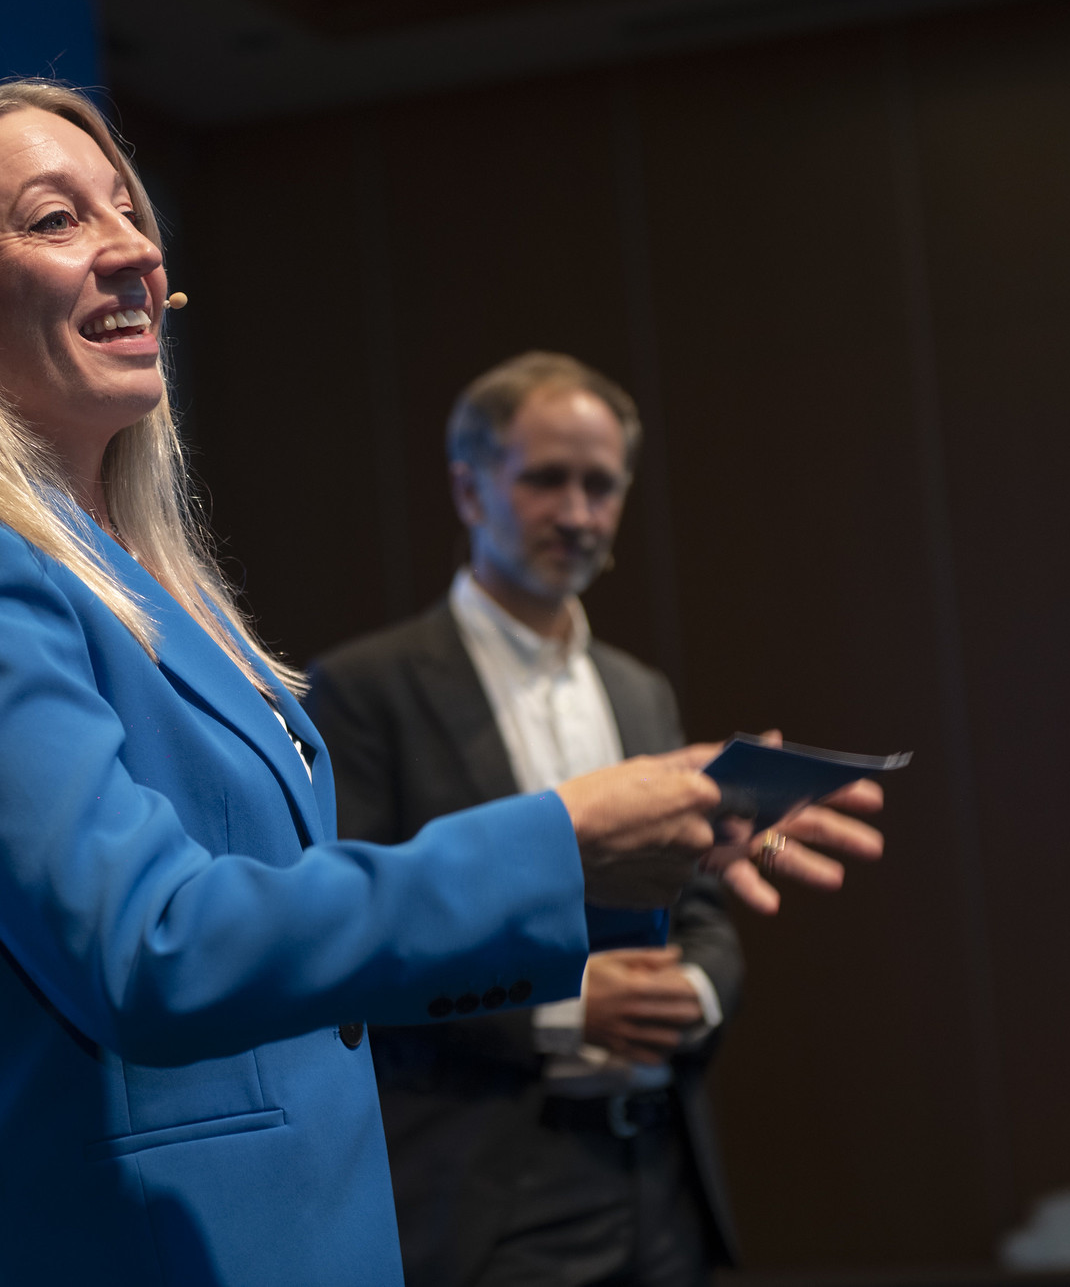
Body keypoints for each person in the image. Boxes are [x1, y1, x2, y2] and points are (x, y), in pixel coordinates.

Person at [0, 81, 886, 1287]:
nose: (134, 249)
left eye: (127, 206)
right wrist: (557, 846)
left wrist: (645, 856)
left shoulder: (146, 585)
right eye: (57, 220)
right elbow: (150, 947)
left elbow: (305, 932)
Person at [306, 353, 859, 1287]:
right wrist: (561, 1009)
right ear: (469, 489)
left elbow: (700, 913)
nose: (576, 513)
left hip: (659, 1173)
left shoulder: (638, 694)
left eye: (600, 485)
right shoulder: (366, 691)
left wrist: (697, 991)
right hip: (489, 1189)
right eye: (545, 479)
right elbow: (352, 952)